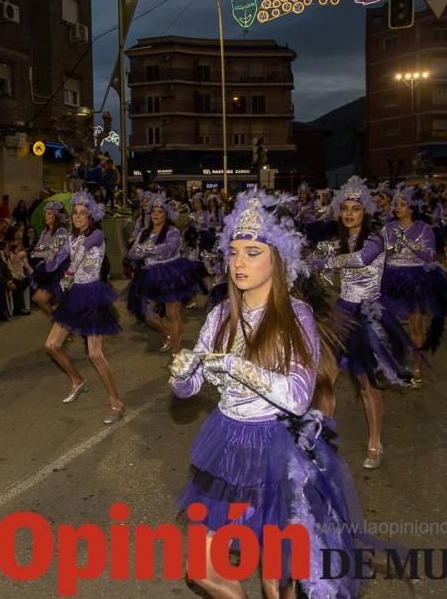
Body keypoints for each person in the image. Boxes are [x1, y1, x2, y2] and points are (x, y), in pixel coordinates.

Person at [169, 189, 371, 599]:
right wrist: (181, 374)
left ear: (277, 260)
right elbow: (190, 389)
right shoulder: (220, 314)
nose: (239, 262)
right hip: (227, 444)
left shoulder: (295, 316)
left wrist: (235, 366)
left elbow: (298, 396)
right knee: (202, 570)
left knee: (276, 581)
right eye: (234, 252)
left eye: (253, 252)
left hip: (276, 449)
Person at [311, 176, 414, 470]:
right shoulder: (338, 241)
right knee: (325, 379)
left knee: (366, 383)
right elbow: (317, 257)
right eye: (345, 208)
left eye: (355, 208)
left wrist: (327, 260)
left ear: (365, 212)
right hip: (342, 312)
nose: (349, 214)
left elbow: (359, 259)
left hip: (368, 314)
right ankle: (323, 440)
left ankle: (375, 442)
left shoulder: (374, 239)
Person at [43, 192, 124, 423]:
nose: (78, 217)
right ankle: (77, 380)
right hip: (74, 295)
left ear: (91, 216)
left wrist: (68, 271)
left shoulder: (96, 235)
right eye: (75, 213)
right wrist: (49, 256)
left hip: (92, 295)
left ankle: (116, 402)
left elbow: (82, 253)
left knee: (95, 354)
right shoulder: (70, 238)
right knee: (51, 345)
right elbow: (55, 261)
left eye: (82, 213)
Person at [381, 184, 447, 385]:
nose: (397, 208)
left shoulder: (423, 229)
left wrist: (410, 244)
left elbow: (430, 256)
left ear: (412, 208)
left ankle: (417, 364)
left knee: (416, 325)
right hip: (391, 278)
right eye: (396, 204)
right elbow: (382, 254)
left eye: (402, 204)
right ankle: (396, 363)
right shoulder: (388, 228)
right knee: (390, 325)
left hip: (416, 279)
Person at [127, 192, 200, 355]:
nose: (155, 215)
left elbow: (169, 249)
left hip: (170, 273)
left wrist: (146, 249)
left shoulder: (172, 231)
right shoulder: (144, 232)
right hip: (148, 274)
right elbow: (131, 253)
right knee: (142, 309)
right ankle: (166, 332)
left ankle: (176, 352)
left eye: (160, 212)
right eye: (153, 211)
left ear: (167, 215)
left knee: (172, 312)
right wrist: (140, 251)